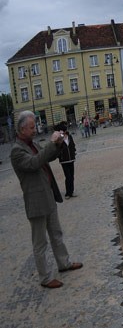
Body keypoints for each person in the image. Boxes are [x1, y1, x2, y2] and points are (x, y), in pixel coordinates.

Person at [11, 111, 83, 289]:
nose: (35, 129)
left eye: (34, 126)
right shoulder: (17, 151)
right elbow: (34, 163)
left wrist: (57, 145)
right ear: (21, 129)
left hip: (48, 196)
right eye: (32, 127)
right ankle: (45, 278)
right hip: (35, 202)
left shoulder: (32, 144)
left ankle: (64, 263)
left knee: (56, 234)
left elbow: (46, 157)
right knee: (40, 243)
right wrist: (51, 143)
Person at [57, 123, 77, 198]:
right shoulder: (59, 138)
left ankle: (71, 192)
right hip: (64, 160)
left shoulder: (69, 136)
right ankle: (67, 193)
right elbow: (57, 149)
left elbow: (72, 145)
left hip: (71, 159)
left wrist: (74, 152)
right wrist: (60, 156)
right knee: (68, 177)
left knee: (72, 176)